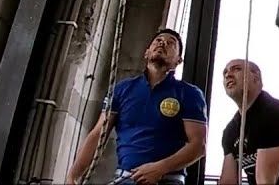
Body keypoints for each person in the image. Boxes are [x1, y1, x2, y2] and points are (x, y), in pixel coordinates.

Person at [67, 29, 207, 185]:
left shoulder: (189, 94)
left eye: (170, 43)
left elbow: (198, 145)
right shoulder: (121, 89)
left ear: (178, 61)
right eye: (158, 40)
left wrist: (160, 168)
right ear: (146, 52)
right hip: (125, 178)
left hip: (168, 180)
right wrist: (72, 176)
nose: (162, 44)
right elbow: (98, 133)